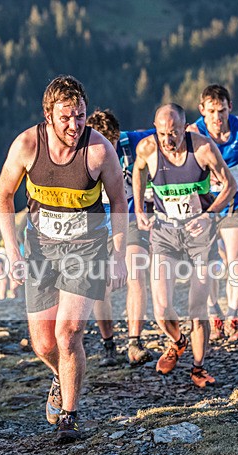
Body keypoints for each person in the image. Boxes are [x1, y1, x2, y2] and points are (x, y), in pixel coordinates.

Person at [0, 75, 128, 443]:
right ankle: (63, 373)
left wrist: (117, 255)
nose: (74, 125)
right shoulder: (26, 145)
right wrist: (12, 250)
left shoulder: (99, 151)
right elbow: (4, 195)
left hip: (86, 247)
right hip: (40, 247)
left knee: (68, 333)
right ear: (48, 116)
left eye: (81, 116)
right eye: (66, 117)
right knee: (44, 344)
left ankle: (69, 416)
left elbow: (119, 201)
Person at [133, 103, 234, 388]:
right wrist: (140, 209)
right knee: (162, 309)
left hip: (199, 234)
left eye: (174, 132)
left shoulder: (202, 148)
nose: (168, 140)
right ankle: (178, 342)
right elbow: (138, 172)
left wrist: (210, 215)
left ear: (184, 126)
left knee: (196, 307)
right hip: (164, 232)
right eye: (162, 133)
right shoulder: (147, 149)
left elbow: (230, 184)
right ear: (155, 129)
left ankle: (198, 369)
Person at [187, 84, 238, 343]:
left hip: (236, 200)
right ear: (202, 111)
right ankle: (214, 310)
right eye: (211, 111)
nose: (217, 118)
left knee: (237, 258)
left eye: (221, 111)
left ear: (230, 108)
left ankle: (233, 317)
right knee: (208, 264)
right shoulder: (194, 132)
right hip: (207, 206)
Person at [86, 109, 156, 367]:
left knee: (136, 272)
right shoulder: (84, 151)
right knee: (99, 287)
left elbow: (164, 131)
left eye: (113, 143)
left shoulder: (133, 141)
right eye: (105, 144)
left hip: (130, 220)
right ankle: (108, 346)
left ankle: (135, 342)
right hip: (97, 226)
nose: (110, 149)